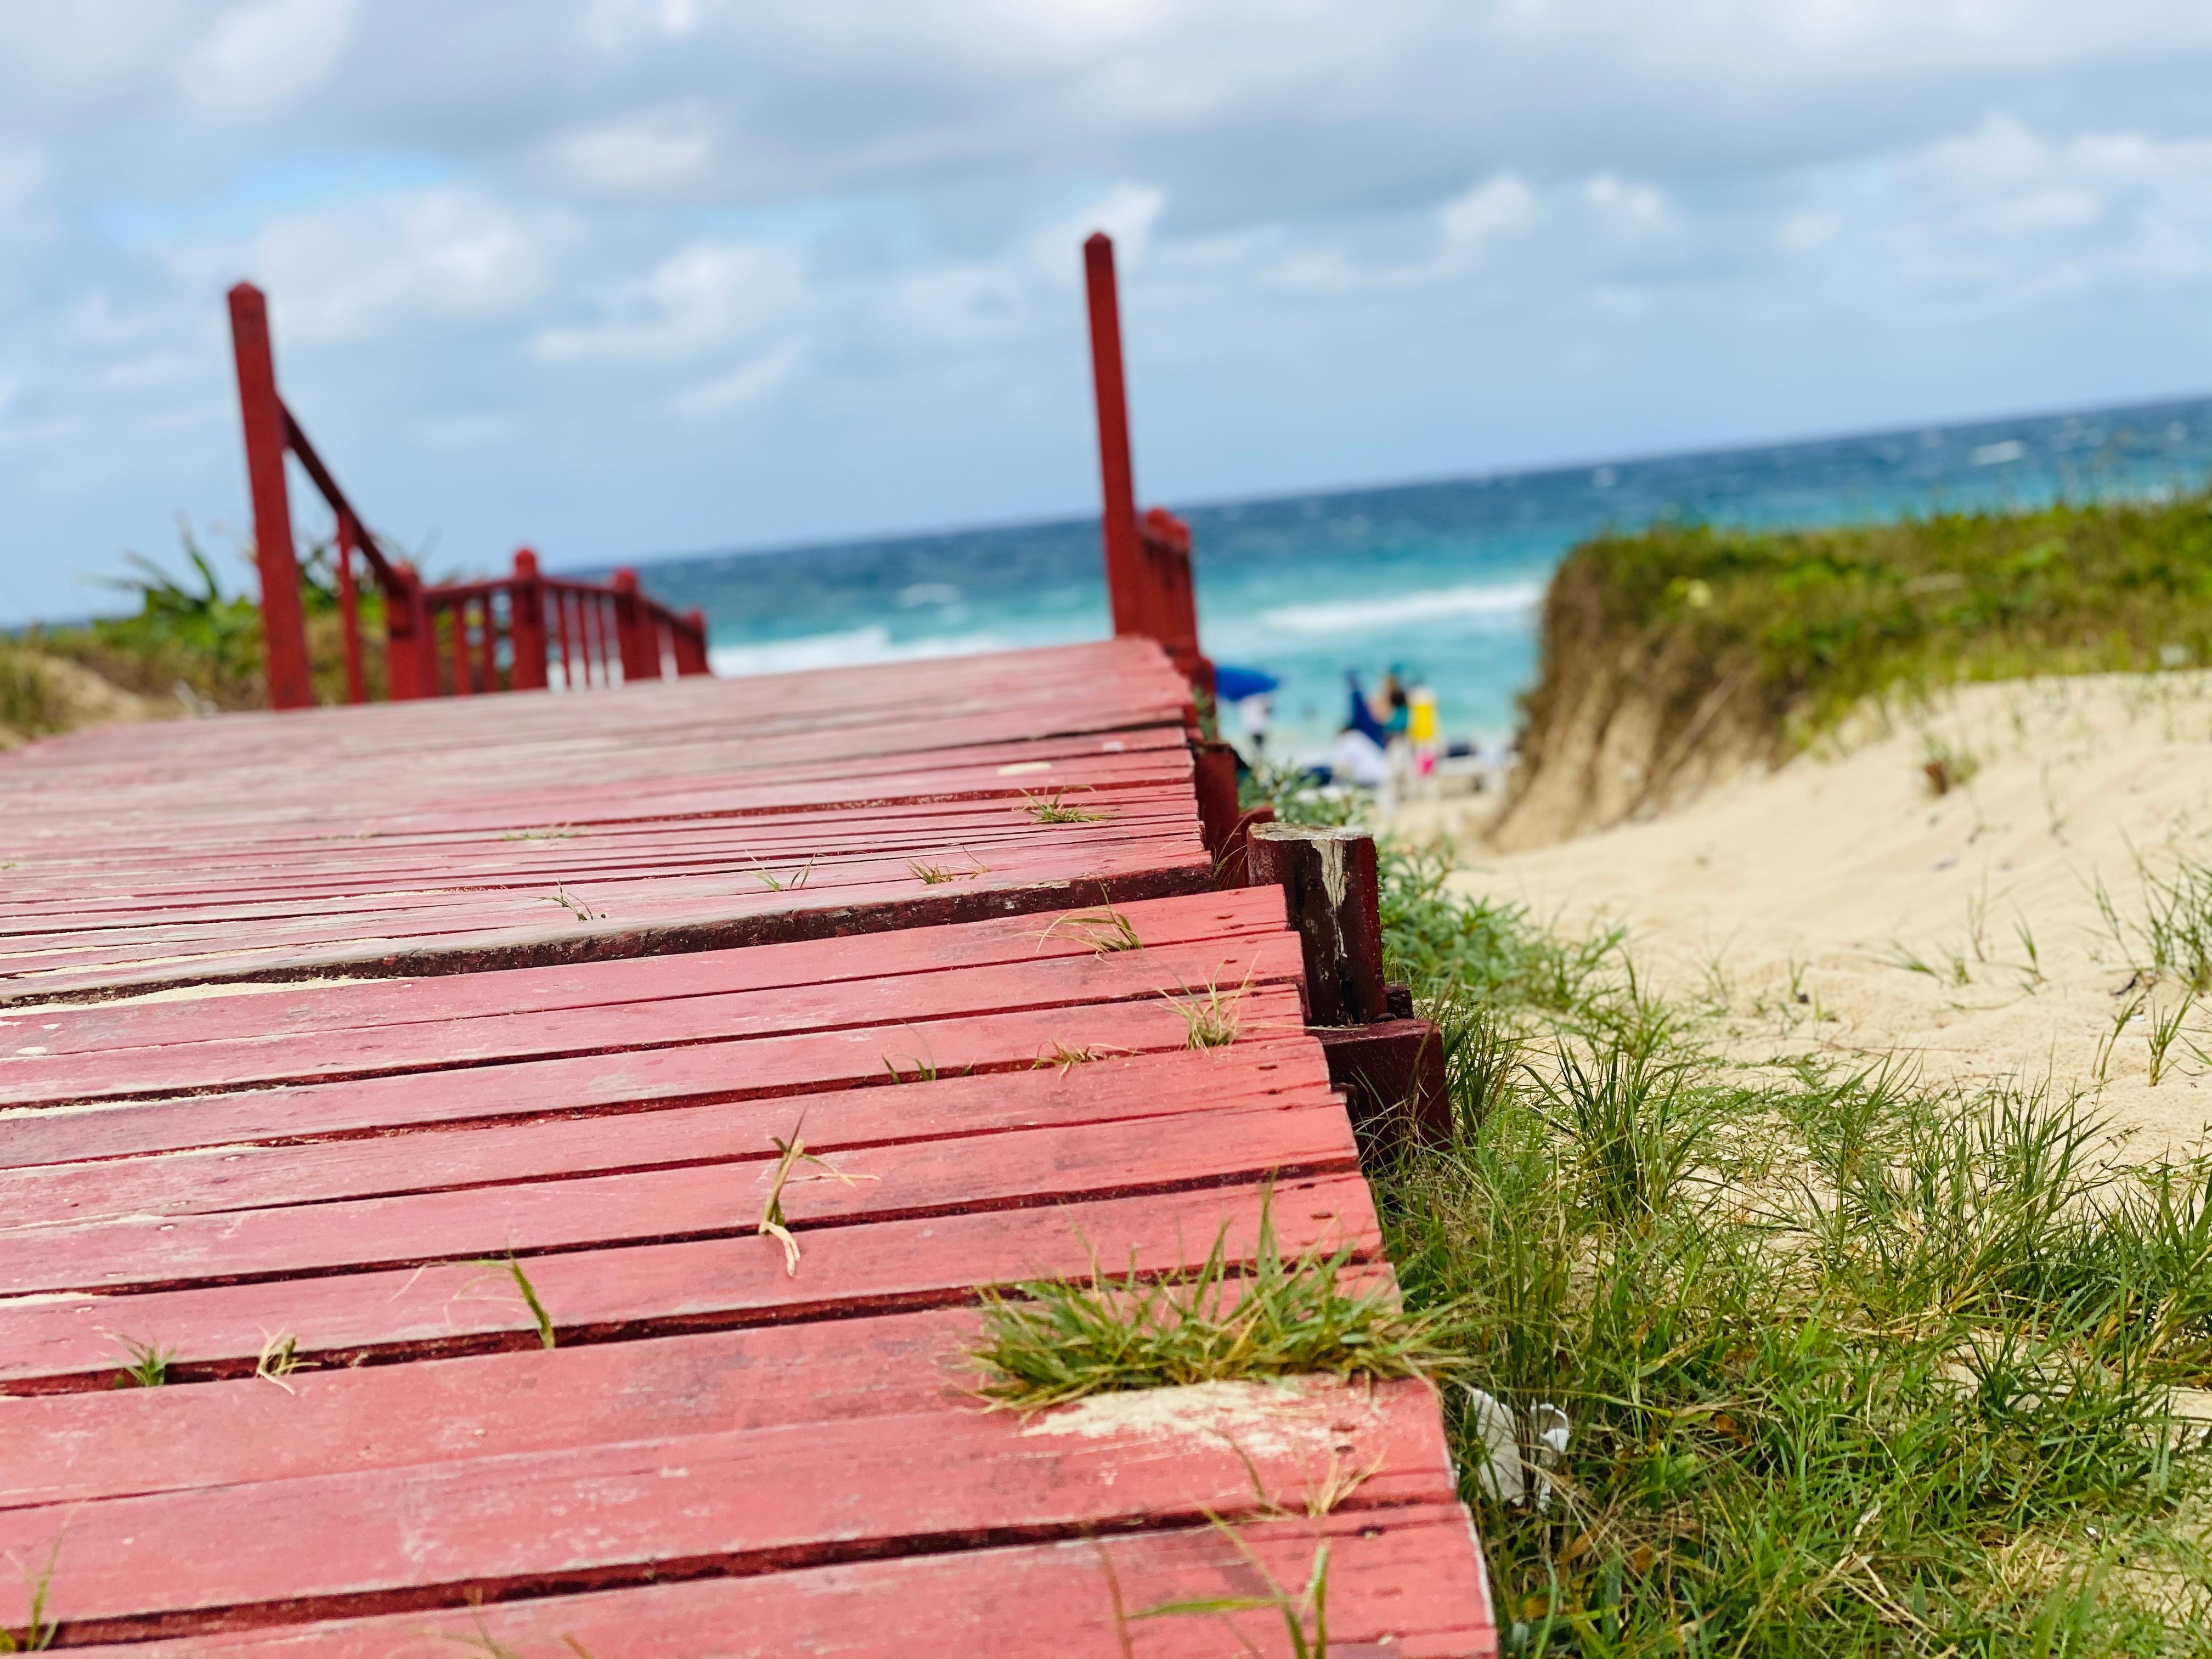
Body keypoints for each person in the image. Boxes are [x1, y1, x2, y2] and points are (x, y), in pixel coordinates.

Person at [1330, 723, 1389, 789]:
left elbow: (1342, 767)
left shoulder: (1348, 740)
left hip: (1371, 780)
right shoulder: (1360, 736)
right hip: (1385, 774)